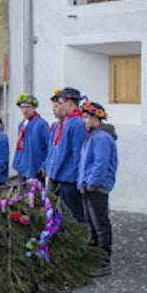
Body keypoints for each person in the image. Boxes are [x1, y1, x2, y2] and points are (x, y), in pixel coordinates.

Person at [78, 101, 117, 277]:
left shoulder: (101, 137)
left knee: (100, 223)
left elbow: (100, 164)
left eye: (86, 117)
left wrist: (92, 183)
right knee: (92, 223)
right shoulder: (92, 135)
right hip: (88, 186)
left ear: (95, 117)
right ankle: (93, 256)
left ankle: (104, 260)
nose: (83, 120)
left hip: (97, 187)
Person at [46, 87, 88, 224]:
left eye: (61, 102)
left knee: (74, 215)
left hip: (70, 178)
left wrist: (78, 178)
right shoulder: (65, 123)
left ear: (70, 103)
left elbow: (79, 154)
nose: (59, 106)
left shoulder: (77, 123)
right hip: (59, 176)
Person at [12, 93, 49, 184]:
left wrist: (44, 166)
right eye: (22, 107)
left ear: (34, 108)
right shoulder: (22, 125)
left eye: (28, 107)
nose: (25, 110)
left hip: (36, 169)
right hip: (22, 169)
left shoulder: (41, 124)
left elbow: (49, 146)